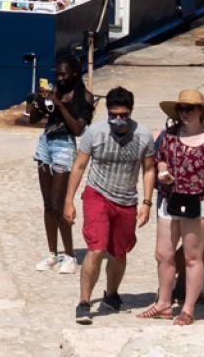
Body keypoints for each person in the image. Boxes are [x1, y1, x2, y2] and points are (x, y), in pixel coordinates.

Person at [139, 89, 204, 324]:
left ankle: (188, 308)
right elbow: (159, 157)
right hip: (171, 199)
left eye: (189, 109)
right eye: (181, 109)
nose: (184, 113)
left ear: (200, 111)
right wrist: (163, 171)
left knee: (192, 257)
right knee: (163, 254)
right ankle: (163, 302)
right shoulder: (170, 134)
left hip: (199, 202)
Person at [63, 87, 156, 324]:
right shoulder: (94, 133)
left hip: (126, 200)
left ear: (131, 113)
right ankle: (84, 302)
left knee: (119, 251)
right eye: (114, 114)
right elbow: (79, 166)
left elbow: (148, 169)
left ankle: (112, 293)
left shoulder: (143, 135)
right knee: (96, 247)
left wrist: (146, 202)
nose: (118, 120)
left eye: (123, 115)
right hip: (97, 195)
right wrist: (69, 200)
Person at [32, 54, 93, 275]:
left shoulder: (85, 96)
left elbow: (78, 129)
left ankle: (70, 256)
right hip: (45, 143)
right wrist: (37, 104)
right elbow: (34, 119)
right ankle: (52, 254)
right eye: (57, 73)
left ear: (74, 73)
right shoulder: (54, 91)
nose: (59, 77)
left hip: (64, 147)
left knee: (59, 204)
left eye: (63, 74)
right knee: (48, 204)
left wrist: (59, 105)